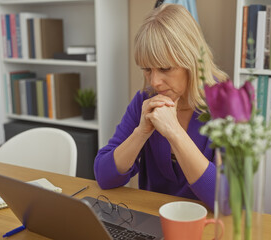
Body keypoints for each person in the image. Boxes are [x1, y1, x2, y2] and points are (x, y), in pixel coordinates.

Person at [94, 4, 228, 210]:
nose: (154, 81)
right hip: (153, 221)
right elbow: (104, 176)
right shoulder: (144, 100)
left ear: (192, 62)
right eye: (147, 69)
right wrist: (141, 133)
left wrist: (174, 132)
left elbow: (227, 200)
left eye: (165, 68)